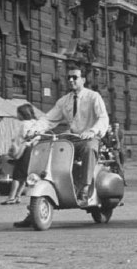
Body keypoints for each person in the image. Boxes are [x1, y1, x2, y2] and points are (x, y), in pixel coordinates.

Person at [14, 66, 108, 227]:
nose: (71, 80)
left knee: (89, 148)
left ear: (83, 80)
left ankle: (85, 188)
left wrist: (92, 131)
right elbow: (49, 119)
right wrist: (33, 130)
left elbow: (103, 118)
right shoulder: (64, 101)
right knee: (48, 147)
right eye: (69, 78)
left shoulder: (93, 97)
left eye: (75, 77)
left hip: (88, 137)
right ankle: (35, 208)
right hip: (71, 137)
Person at [2, 103, 37, 204]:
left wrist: (15, 145)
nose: (17, 115)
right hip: (32, 150)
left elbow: (25, 137)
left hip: (23, 150)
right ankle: (18, 196)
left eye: (18, 113)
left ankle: (11, 197)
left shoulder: (25, 124)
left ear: (23, 114)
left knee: (17, 176)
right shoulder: (35, 123)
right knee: (24, 176)